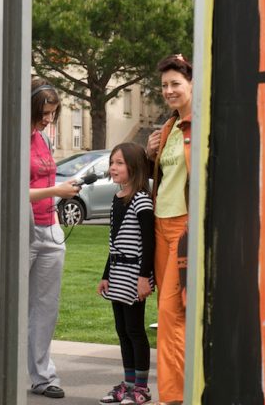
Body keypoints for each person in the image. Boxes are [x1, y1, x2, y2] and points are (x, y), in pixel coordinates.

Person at [145, 54, 193, 404]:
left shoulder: (201, 124)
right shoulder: (168, 128)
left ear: (192, 84)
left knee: (171, 313)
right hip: (160, 224)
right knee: (173, 313)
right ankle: (183, 389)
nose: (169, 90)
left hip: (185, 227)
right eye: (164, 85)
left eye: (176, 83)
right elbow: (164, 177)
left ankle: (174, 397)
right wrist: (151, 155)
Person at [29, 78, 80, 399]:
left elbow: (47, 182)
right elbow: (12, 189)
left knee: (46, 307)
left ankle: (43, 377)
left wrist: (62, 197)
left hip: (50, 229)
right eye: (43, 113)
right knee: (11, 305)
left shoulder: (45, 139)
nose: (49, 119)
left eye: (52, 113)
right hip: (23, 230)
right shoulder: (13, 139)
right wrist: (55, 190)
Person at [97, 142, 156, 405]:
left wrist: (144, 277)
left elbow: (149, 243)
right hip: (118, 274)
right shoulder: (117, 198)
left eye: (119, 163)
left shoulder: (141, 200)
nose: (113, 167)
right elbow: (114, 242)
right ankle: (128, 383)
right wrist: (105, 275)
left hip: (134, 275)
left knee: (135, 330)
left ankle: (141, 387)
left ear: (134, 166)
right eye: (112, 162)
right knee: (122, 330)